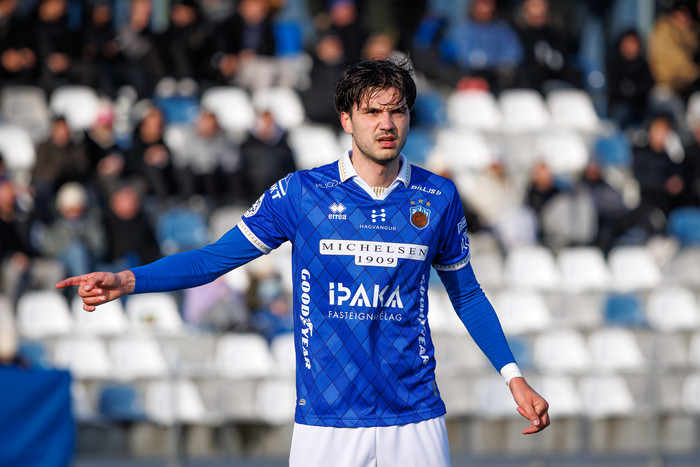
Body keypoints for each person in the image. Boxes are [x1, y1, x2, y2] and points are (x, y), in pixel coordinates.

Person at [57, 59, 549, 466]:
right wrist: (129, 279)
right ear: (346, 119)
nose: (385, 124)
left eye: (396, 111)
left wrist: (513, 375)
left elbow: (467, 294)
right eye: (372, 111)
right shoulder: (300, 194)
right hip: (326, 422)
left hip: (415, 417)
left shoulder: (438, 196)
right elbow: (215, 259)